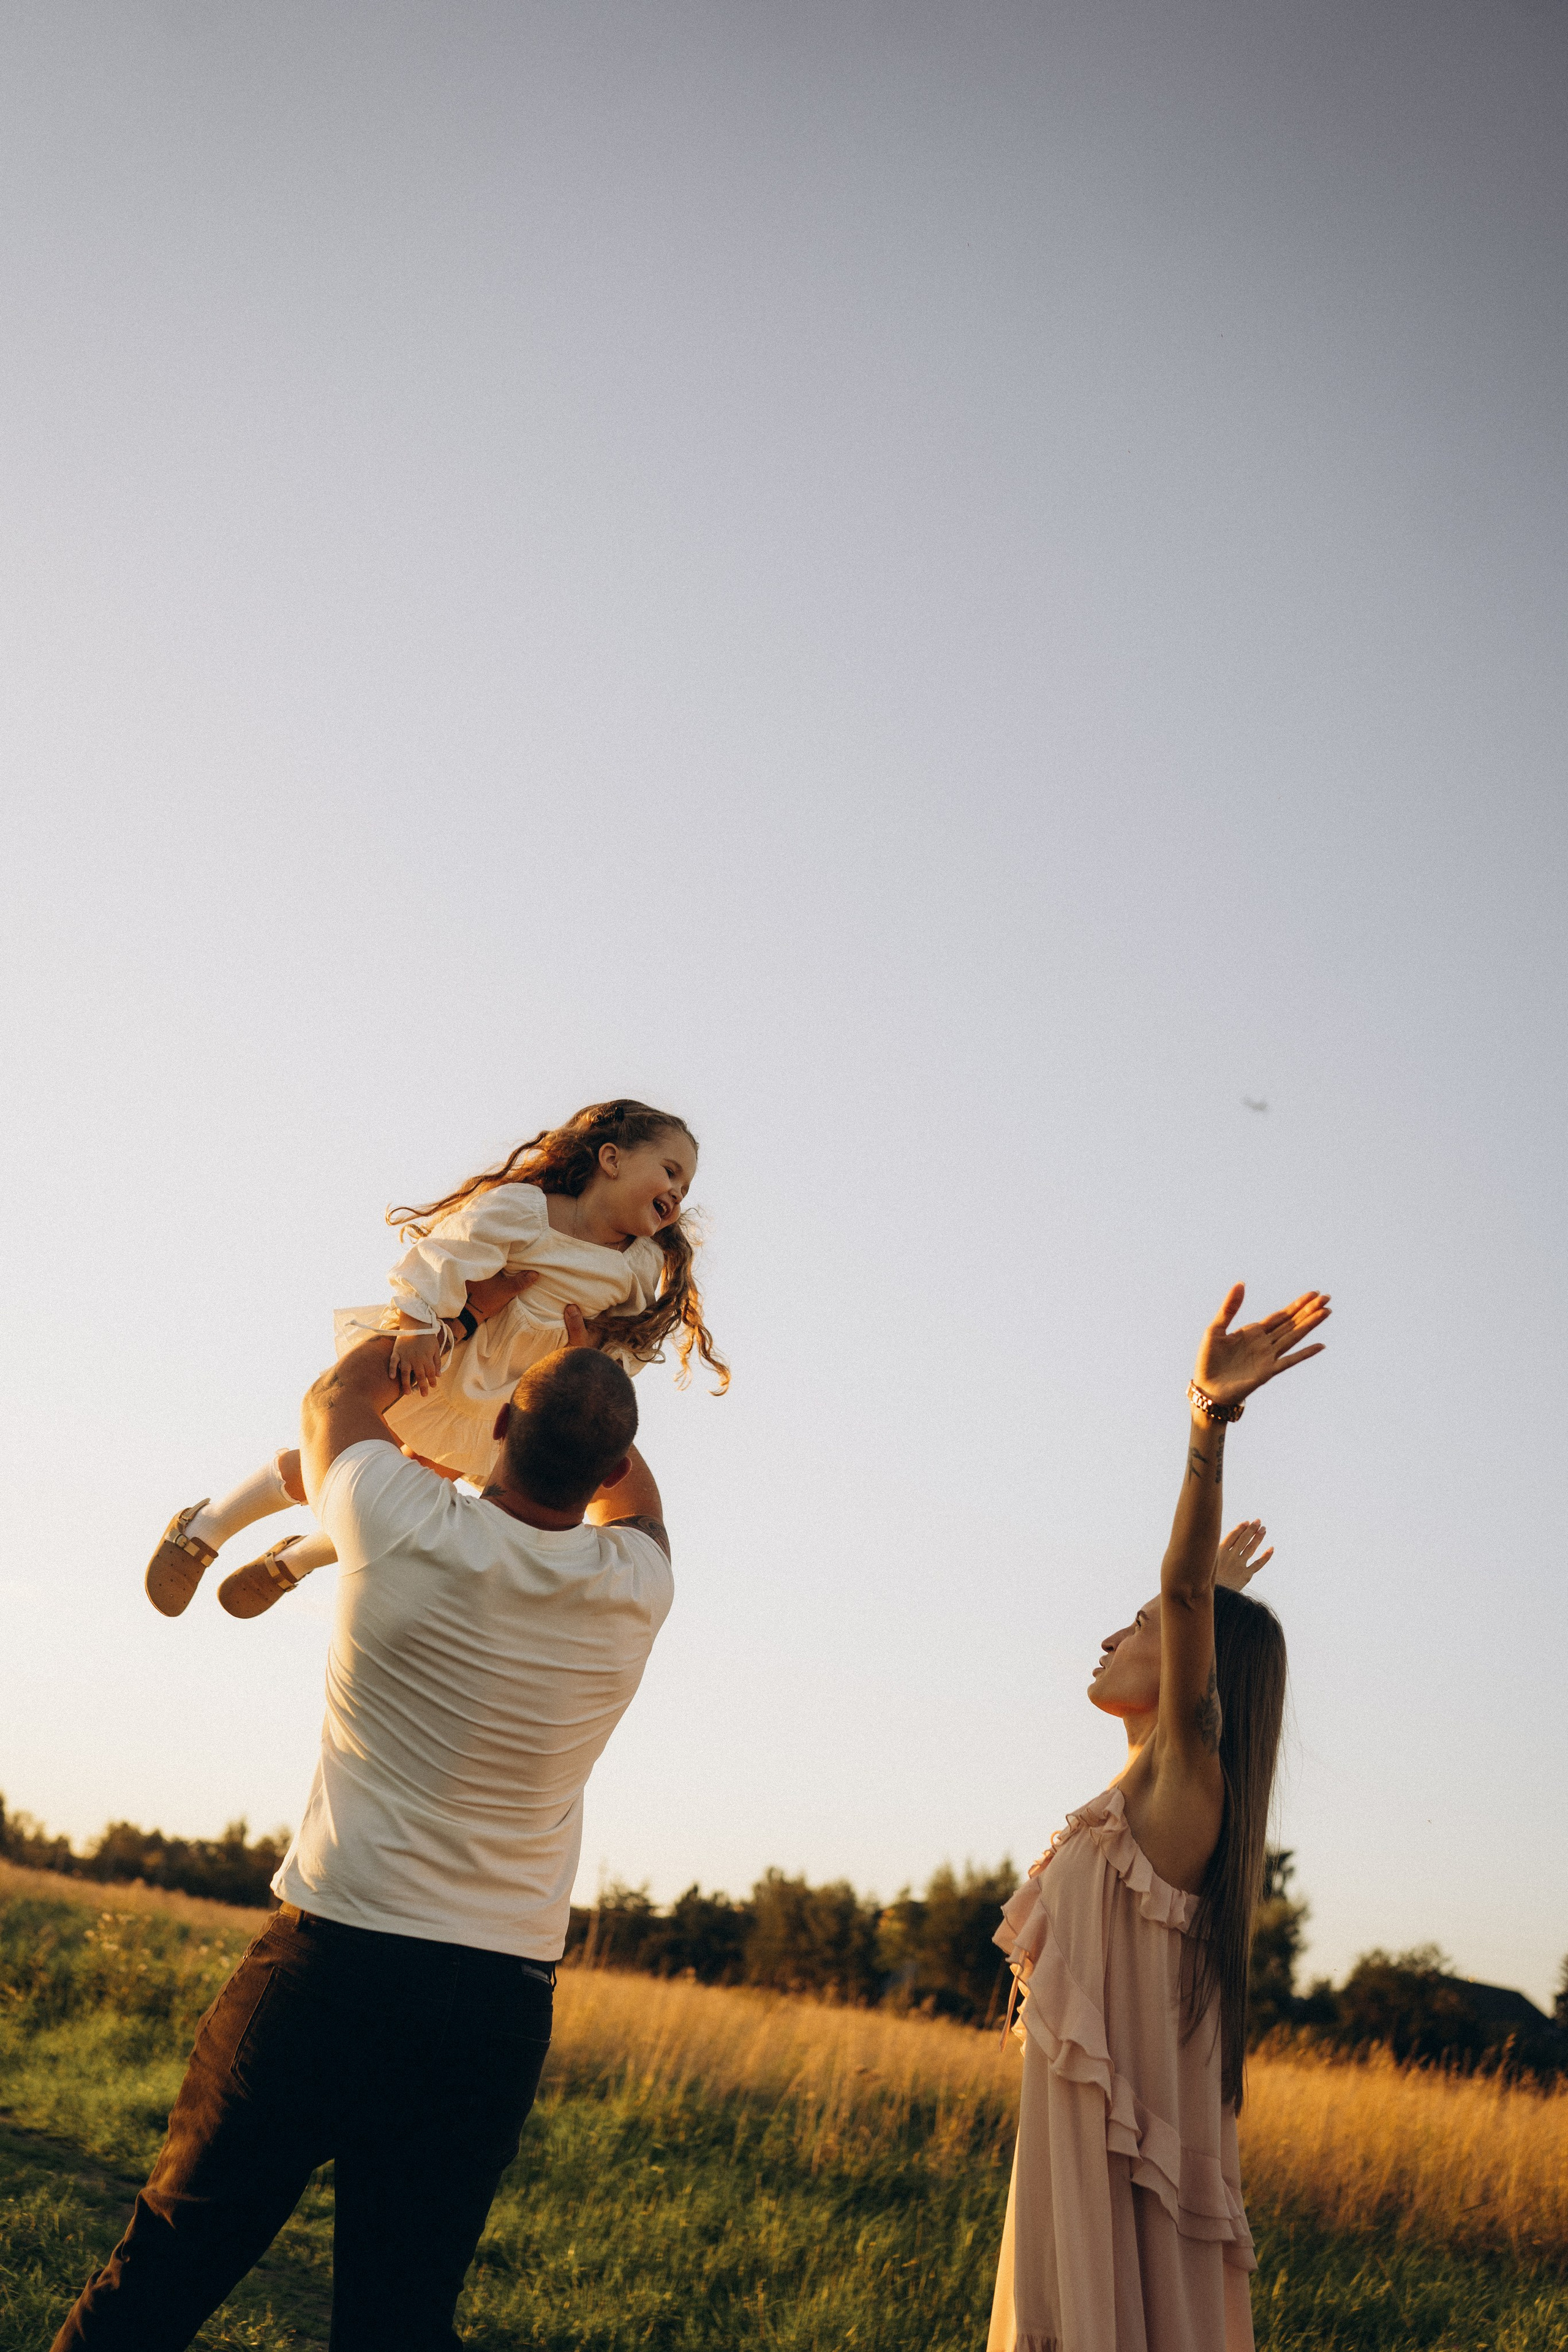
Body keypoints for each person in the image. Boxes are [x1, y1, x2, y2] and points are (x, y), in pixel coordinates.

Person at [55, 1310, 675, 2350]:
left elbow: (331, 1404)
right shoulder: (637, 1589)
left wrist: (439, 1337)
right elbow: (632, 1492)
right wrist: (582, 1367)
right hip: (492, 2015)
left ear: (498, 1437)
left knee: (164, 2272)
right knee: (399, 2323)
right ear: (609, 1459)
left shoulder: (401, 1517)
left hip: (329, 1975)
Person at [987, 1282, 1330, 2352]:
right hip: (1064, 2184)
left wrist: (1207, 1417)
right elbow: (1190, 1605)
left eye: (1139, 1624)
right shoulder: (1131, 1802)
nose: (1110, 1635)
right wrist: (1214, 1592)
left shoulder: (1189, 1791)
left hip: (1107, 2198)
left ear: (1194, 1665)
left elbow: (1181, 1601)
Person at [143, 1097, 725, 1619]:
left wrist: (592, 1364)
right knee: (340, 1457)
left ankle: (296, 1561)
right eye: (670, 1171)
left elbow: (632, 1339)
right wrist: (421, 1324)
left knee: (417, 1486)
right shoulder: (531, 1212)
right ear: (611, 1159)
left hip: (517, 1394)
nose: (678, 1193)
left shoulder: (640, 1265)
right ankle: (209, 1524)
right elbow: (445, 1254)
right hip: (451, 1360)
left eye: (688, 1187)